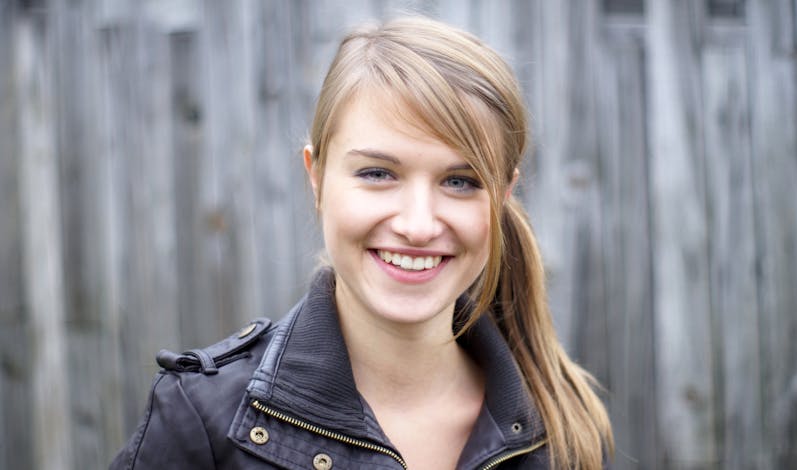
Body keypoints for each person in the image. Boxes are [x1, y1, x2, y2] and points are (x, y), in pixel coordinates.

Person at [111, 16, 613, 470]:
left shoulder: (565, 431)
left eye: (460, 181)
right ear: (316, 177)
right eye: (378, 173)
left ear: (502, 196)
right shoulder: (201, 422)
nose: (418, 225)